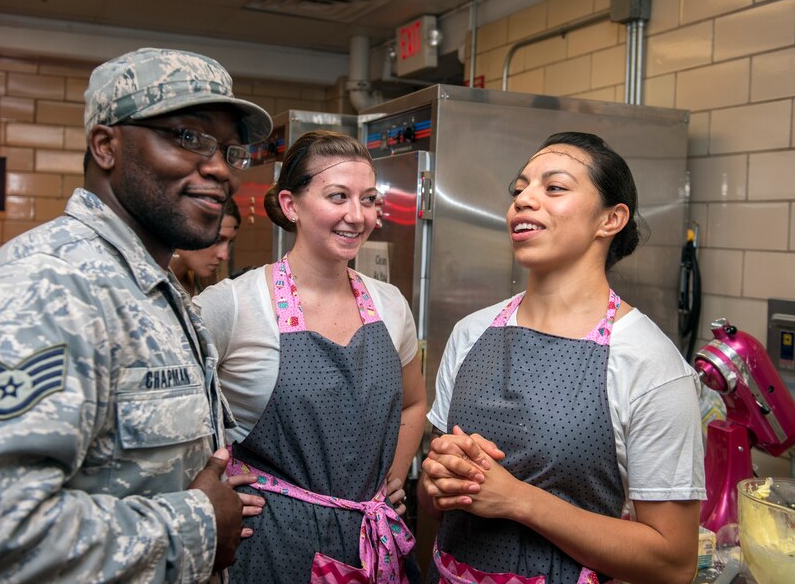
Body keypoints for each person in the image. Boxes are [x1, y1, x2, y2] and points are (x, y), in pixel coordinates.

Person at [0, 47, 273, 583]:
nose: (220, 169)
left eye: (229, 150)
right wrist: (197, 524)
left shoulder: (150, 288)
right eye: (188, 137)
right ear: (106, 145)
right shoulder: (44, 289)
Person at [420, 132, 705, 584]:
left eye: (553, 188)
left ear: (611, 219)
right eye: (519, 189)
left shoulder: (648, 363)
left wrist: (519, 500)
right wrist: (440, 480)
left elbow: (673, 562)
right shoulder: (470, 334)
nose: (523, 200)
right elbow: (432, 508)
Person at [194, 130, 427, 582]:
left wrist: (392, 479)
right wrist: (206, 490)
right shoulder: (232, 305)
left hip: (371, 541)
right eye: (337, 196)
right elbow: (176, 417)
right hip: (269, 546)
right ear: (290, 204)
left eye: (369, 199)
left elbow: (414, 403)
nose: (356, 216)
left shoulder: (390, 304)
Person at [171, 198, 241, 296]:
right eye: (218, 240)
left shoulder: (204, 280)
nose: (224, 256)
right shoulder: (150, 280)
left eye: (230, 242)